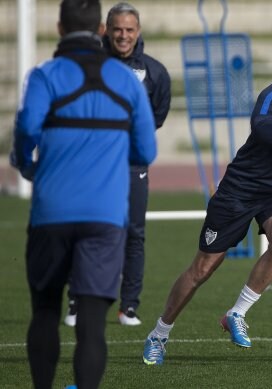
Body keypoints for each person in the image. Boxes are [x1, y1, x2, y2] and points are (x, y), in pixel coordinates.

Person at [142, 43, 272, 365]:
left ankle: (236, 313)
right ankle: (159, 334)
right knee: (202, 269)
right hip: (241, 189)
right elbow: (262, 127)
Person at [10, 0, 157, 386]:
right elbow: (146, 151)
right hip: (105, 216)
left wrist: (28, 165)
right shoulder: (127, 80)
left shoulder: (44, 75)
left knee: (44, 312)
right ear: (101, 30)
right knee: (92, 325)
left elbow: (25, 132)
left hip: (51, 212)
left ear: (59, 28)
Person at [64, 1, 171, 327]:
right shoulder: (86, 65)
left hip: (131, 166)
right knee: (87, 232)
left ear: (138, 32)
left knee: (134, 234)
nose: (123, 36)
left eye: (129, 30)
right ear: (105, 31)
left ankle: (129, 306)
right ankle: (77, 302)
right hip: (91, 166)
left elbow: (157, 117)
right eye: (117, 30)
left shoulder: (155, 72)